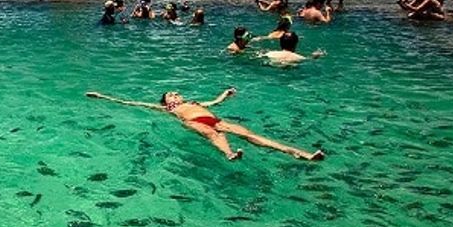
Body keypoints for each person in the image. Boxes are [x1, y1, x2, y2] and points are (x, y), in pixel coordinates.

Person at [84, 87, 324, 162]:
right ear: (166, 101)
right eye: (170, 95)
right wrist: (103, 97)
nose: (175, 96)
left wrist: (225, 94)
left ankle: (298, 152)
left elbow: (215, 102)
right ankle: (230, 154)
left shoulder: (194, 100)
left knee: (252, 135)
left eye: (176, 94)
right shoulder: (168, 109)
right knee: (212, 135)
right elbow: (131, 103)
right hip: (194, 122)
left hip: (214, 117)